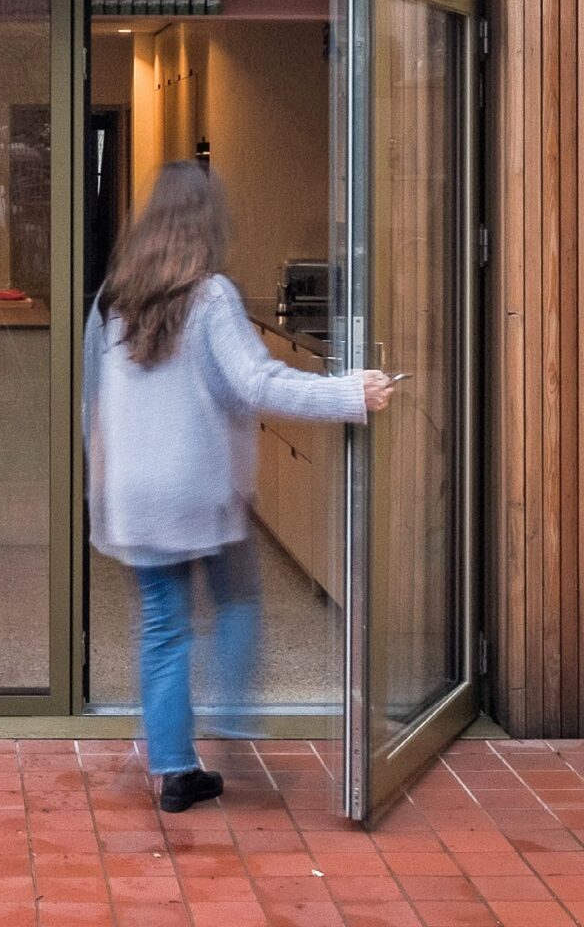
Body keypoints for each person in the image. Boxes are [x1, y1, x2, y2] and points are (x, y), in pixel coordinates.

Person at [82, 160, 393, 812]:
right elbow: (257, 383)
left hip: (134, 494)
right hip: (197, 491)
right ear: (207, 224)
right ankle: (231, 716)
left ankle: (174, 772)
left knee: (163, 626)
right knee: (239, 597)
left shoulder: (113, 297)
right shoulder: (209, 295)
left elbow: (94, 400)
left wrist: (103, 491)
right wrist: (348, 392)